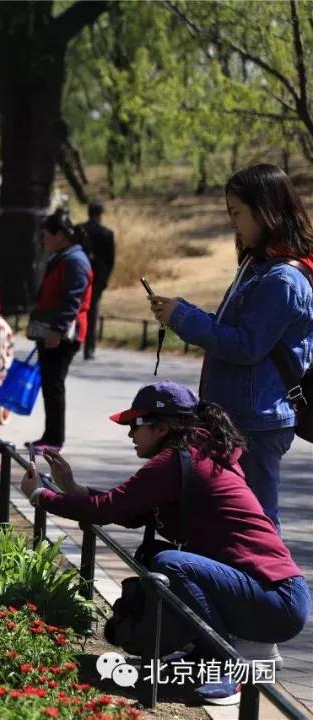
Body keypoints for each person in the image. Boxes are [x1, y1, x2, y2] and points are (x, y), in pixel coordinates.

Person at [20, 382, 309, 705]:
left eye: (135, 424)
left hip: (277, 600)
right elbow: (129, 511)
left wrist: (39, 496)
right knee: (155, 556)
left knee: (171, 564)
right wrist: (73, 489)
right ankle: (203, 653)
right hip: (267, 594)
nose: (130, 434)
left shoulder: (178, 460)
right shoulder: (194, 454)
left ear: (161, 427)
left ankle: (227, 668)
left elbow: (108, 509)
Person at [149, 164, 313, 532]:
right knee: (230, 521)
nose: (233, 223)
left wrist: (184, 320)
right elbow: (231, 329)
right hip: (240, 416)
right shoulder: (259, 267)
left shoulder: (282, 279)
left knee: (256, 525)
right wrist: (183, 311)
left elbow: (245, 346)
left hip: (258, 421)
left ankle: (273, 588)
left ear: (265, 209)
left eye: (237, 213)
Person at [26, 208, 93, 455]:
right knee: (50, 385)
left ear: (60, 235)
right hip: (51, 332)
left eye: (45, 235)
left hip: (63, 336)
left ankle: (55, 440)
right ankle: (49, 435)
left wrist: (57, 330)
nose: (43, 240)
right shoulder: (63, 256)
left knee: (54, 387)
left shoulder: (75, 260)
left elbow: (73, 300)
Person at [78, 201, 115, 360]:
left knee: (73, 310)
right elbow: (110, 260)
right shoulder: (107, 233)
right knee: (92, 312)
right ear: (100, 215)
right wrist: (104, 280)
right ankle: (89, 347)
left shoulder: (79, 230)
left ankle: (73, 339)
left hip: (78, 275)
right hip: (96, 279)